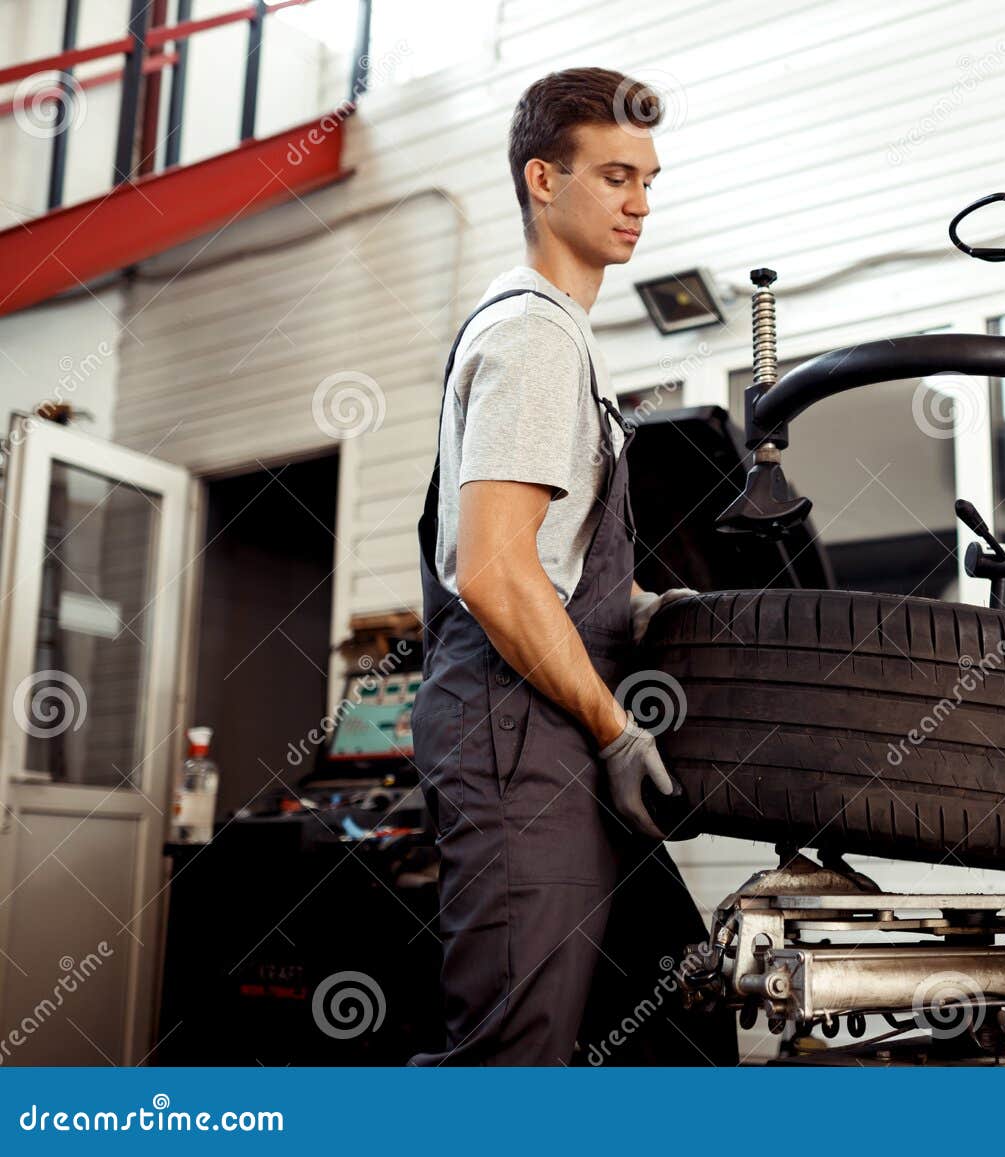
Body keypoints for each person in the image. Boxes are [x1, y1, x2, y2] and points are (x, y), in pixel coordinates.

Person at [408, 67, 731, 1066]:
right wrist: (617, 726)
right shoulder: (534, 334)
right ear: (542, 180)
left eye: (649, 179)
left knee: (663, 1007)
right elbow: (495, 574)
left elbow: (546, 567)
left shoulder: (563, 341)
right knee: (514, 1053)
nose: (640, 202)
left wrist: (635, 607)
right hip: (521, 736)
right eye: (615, 176)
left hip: (545, 730)